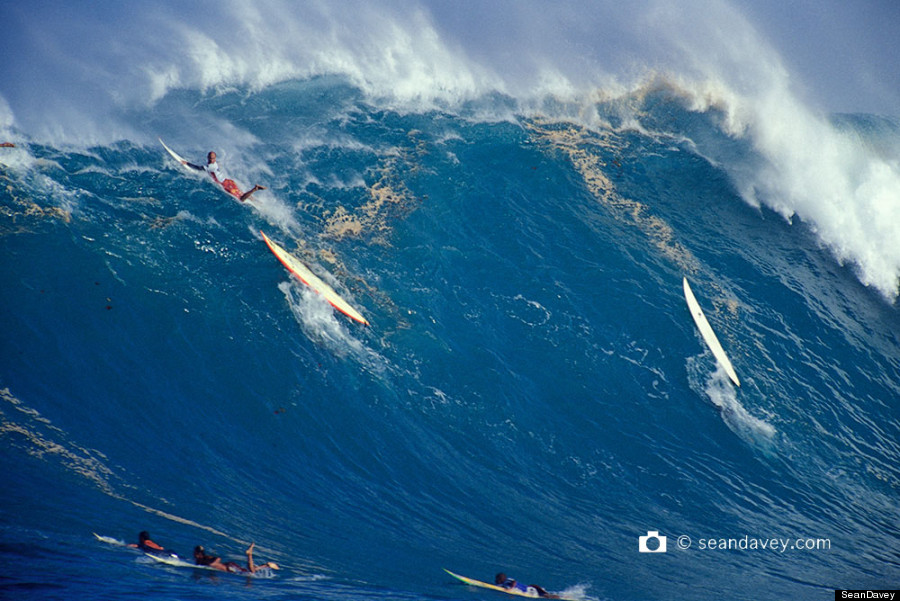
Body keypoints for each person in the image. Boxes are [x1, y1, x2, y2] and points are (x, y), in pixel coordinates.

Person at [183, 151, 265, 202]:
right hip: (228, 181)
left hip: (225, 184)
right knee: (240, 193)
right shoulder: (215, 163)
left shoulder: (210, 166)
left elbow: (198, 168)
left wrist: (187, 163)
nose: (212, 160)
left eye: (213, 159)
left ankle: (255, 189)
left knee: (241, 199)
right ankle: (256, 201)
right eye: (211, 158)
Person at [193, 542, 279, 574]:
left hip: (230, 567)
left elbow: (218, 559)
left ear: (198, 553)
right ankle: (266, 565)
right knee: (250, 571)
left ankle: (250, 554)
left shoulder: (206, 558)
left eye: (195, 552)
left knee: (251, 572)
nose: (193, 553)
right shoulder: (199, 560)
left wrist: (212, 564)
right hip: (228, 566)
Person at [495, 572, 559, 599]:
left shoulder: (507, 580)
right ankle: (559, 596)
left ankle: (561, 597)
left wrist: (511, 589)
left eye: (497, 578)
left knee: (546, 596)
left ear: (501, 579)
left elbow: (514, 582)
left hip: (530, 590)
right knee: (545, 595)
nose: (496, 580)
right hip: (530, 588)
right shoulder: (502, 584)